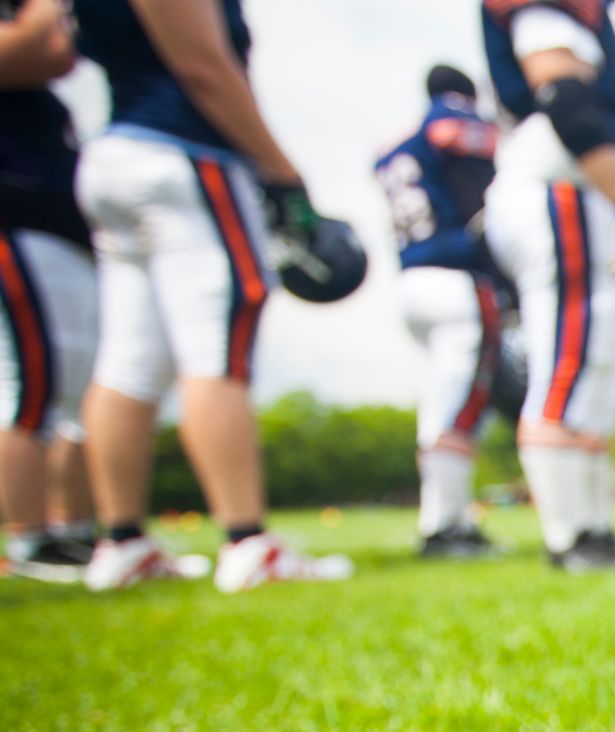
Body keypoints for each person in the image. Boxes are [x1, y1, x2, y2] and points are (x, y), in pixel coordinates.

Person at [68, 0, 352, 592]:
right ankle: (246, 540)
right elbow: (203, 65)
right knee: (217, 347)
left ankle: (121, 541)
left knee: (128, 360)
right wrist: (282, 172)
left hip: (115, 153)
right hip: (185, 153)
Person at [481, 0, 615, 573]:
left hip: (580, 194)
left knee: (597, 370)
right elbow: (565, 98)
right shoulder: (550, 18)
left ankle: (594, 528)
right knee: (569, 363)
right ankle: (568, 536)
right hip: (563, 190)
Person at [376, 64, 507, 559]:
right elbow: (484, 208)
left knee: (436, 404)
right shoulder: (453, 123)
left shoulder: (396, 140)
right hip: (455, 277)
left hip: (409, 278)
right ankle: (444, 527)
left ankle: (440, 518)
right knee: (462, 406)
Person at [1, 0, 97, 582]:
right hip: (16, 221)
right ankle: (28, 538)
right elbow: (46, 49)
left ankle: (69, 530)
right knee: (30, 388)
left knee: (71, 390)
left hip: (56, 228)